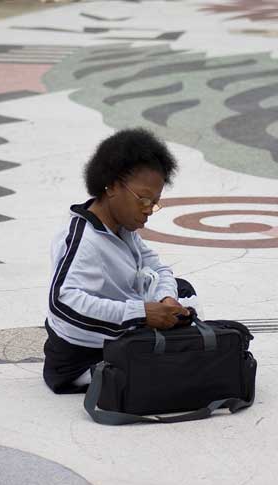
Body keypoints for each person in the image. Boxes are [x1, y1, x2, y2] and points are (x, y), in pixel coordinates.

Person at [43, 128, 199, 394]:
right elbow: (62, 303)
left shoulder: (123, 230)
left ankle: (174, 353)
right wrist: (140, 314)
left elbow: (158, 268)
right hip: (82, 358)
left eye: (155, 202)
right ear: (112, 185)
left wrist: (165, 300)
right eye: (144, 199)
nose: (149, 209)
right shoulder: (83, 238)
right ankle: (174, 357)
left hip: (120, 335)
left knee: (181, 290)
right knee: (183, 361)